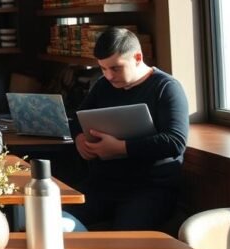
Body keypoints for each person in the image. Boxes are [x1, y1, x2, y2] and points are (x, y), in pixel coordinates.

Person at [66, 27, 188, 231]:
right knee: (51, 220)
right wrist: (79, 139)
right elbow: (77, 120)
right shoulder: (103, 85)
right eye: (103, 68)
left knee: (124, 238)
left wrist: (121, 148)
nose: (109, 76)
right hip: (103, 184)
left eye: (115, 68)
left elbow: (175, 142)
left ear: (137, 57)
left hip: (149, 188)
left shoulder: (167, 88)